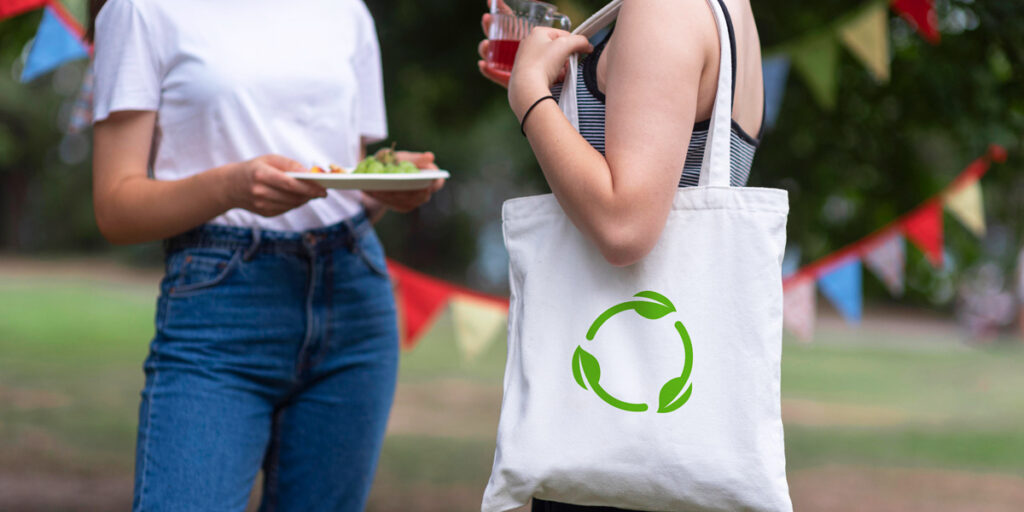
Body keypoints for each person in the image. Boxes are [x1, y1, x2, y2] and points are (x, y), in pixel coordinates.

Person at [88, 0, 443, 509]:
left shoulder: (347, 12)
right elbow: (115, 208)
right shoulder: (140, 10)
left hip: (354, 300)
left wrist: (389, 185)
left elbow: (349, 180)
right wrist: (229, 186)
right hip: (220, 310)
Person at [478, 0, 765, 509]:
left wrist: (529, 97)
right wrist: (548, 89)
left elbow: (624, 226)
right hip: (671, 443)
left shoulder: (663, 11)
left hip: (616, 450)